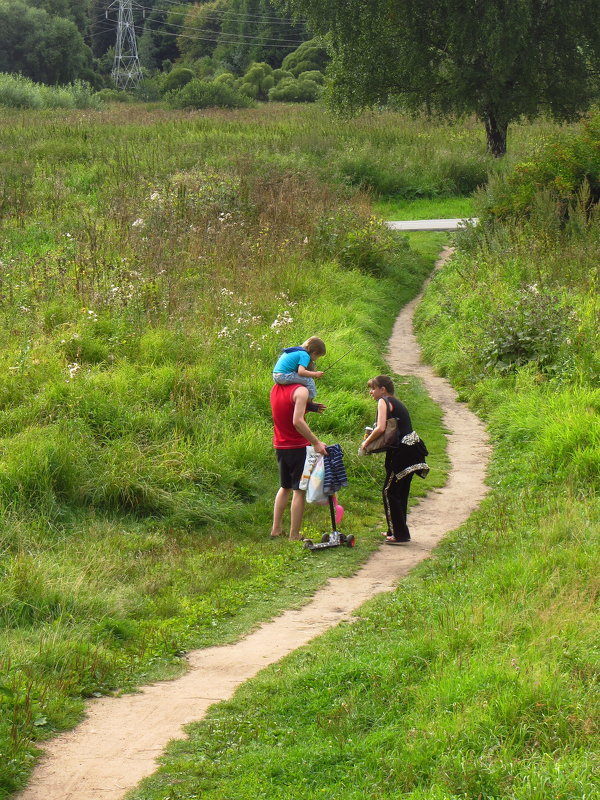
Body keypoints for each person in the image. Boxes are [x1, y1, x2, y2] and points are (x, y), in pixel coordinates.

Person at [359, 375, 429, 544]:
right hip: (413, 450)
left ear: (383, 389)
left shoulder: (383, 401)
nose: (371, 392)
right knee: (400, 492)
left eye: (373, 388)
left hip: (402, 453)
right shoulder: (396, 402)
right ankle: (397, 530)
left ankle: (398, 534)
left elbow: (381, 427)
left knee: (389, 491)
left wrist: (365, 443)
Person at [270, 382, 328, 540]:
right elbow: (297, 421)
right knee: (299, 490)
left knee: (285, 487)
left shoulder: (276, 388)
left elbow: (286, 410)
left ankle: (276, 529)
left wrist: (309, 406)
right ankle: (294, 534)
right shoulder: (300, 390)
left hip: (280, 445)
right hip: (298, 447)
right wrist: (316, 442)